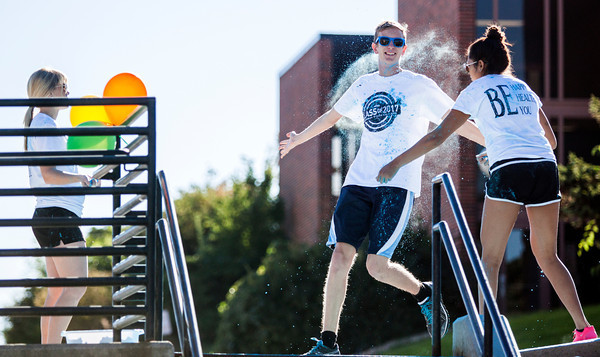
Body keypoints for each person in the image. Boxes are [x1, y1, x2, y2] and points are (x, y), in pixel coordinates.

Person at [376, 25, 597, 342]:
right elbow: (550, 139)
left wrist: (397, 162)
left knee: (490, 258)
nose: (466, 72)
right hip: (545, 169)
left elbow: (439, 135)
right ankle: (584, 329)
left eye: (468, 66)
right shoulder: (523, 88)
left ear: (479, 64)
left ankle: (485, 332)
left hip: (510, 169)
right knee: (548, 255)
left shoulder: (475, 91)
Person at [280, 20, 484, 355]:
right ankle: (328, 343)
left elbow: (457, 122)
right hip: (358, 182)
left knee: (376, 267)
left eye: (398, 42)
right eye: (384, 41)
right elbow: (333, 117)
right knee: (340, 257)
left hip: (396, 184)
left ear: (404, 48)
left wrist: (501, 142)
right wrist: (300, 138)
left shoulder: (419, 86)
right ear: (374, 46)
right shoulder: (363, 85)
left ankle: (423, 293)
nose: (391, 46)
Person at [25, 68, 92, 344]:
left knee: (57, 290)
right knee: (77, 284)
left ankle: (46, 348)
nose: (67, 92)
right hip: (58, 214)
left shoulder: (39, 124)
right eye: (63, 86)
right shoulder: (46, 126)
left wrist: (81, 178)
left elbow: (51, 174)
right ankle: (52, 350)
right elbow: (50, 174)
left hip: (48, 213)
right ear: (49, 91)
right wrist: (78, 177)